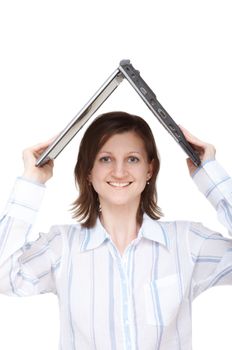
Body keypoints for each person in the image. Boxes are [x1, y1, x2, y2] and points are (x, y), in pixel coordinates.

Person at [0, 110, 232, 350]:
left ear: (149, 169)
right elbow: (3, 276)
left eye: (132, 159)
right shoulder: (62, 246)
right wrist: (32, 180)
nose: (119, 172)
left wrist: (210, 174)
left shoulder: (187, 242)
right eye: (105, 159)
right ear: (88, 171)